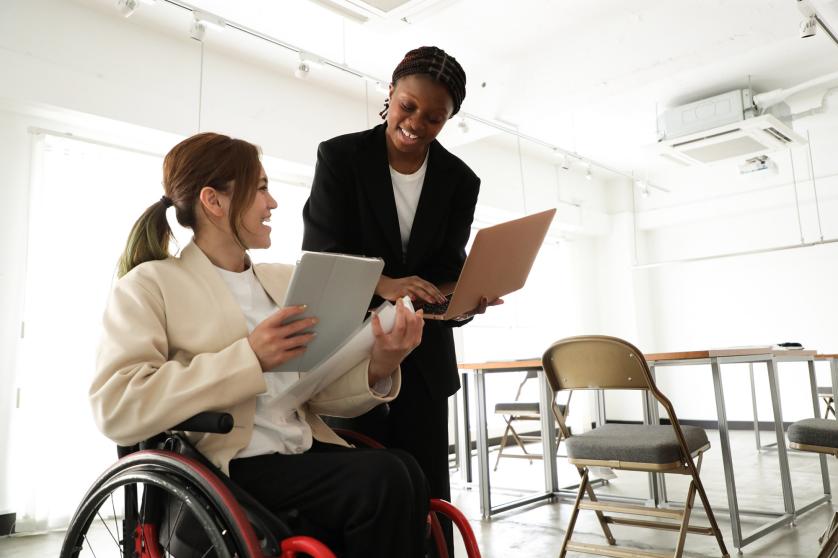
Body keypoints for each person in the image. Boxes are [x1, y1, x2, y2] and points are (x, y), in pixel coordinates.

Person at [89, 132, 430, 558]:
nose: (272, 203)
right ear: (214, 201)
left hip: (298, 452)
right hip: (228, 470)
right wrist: (249, 357)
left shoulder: (284, 280)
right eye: (262, 188)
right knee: (385, 480)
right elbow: (117, 404)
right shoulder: (149, 285)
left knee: (406, 468)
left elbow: (311, 393)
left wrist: (380, 362)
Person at [302, 45, 500, 554]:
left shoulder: (460, 180)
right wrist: (387, 284)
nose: (416, 124)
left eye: (435, 118)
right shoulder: (341, 157)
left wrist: (465, 298)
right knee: (355, 490)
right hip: (350, 355)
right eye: (408, 107)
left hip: (424, 360)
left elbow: (448, 270)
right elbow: (322, 252)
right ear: (389, 94)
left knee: (427, 491)